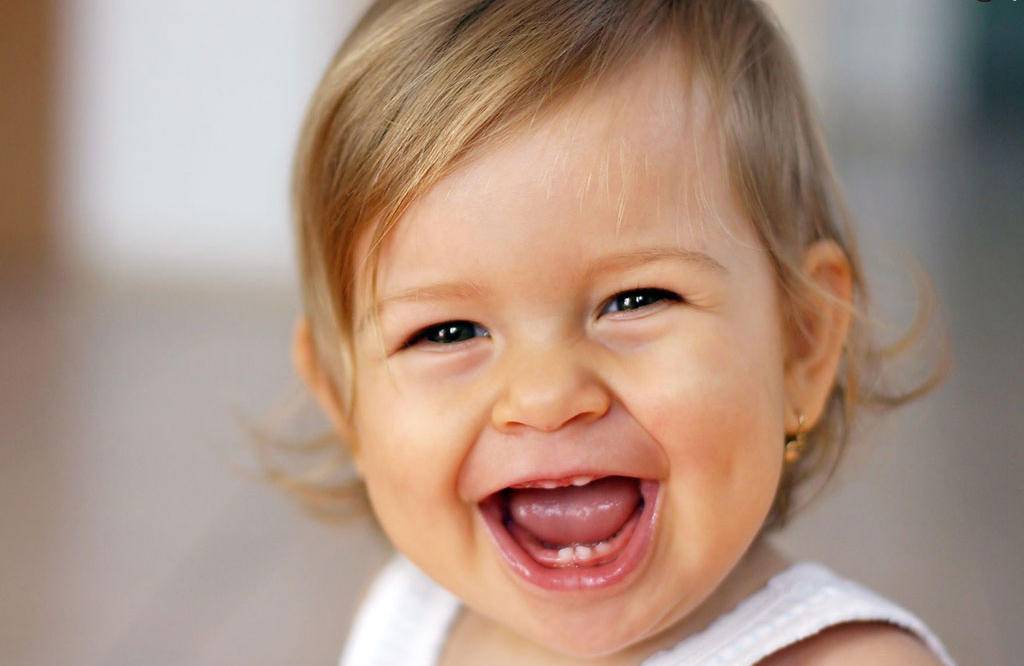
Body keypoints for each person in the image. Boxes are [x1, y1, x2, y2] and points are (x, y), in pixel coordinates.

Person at [286, 1, 954, 663]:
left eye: (634, 300)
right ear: (344, 400)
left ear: (801, 341)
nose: (545, 396)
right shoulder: (404, 619)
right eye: (447, 331)